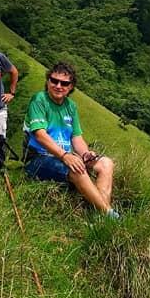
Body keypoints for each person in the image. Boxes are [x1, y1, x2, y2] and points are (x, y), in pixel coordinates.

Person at [23, 62, 118, 218]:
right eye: (54, 81)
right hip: (39, 158)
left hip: (64, 156)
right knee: (76, 169)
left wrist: (85, 153)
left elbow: (76, 137)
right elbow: (40, 135)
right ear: (48, 81)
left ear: (71, 86)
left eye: (64, 83)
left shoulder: (71, 106)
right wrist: (65, 156)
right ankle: (109, 215)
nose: (58, 86)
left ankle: (99, 212)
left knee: (106, 163)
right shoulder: (39, 100)